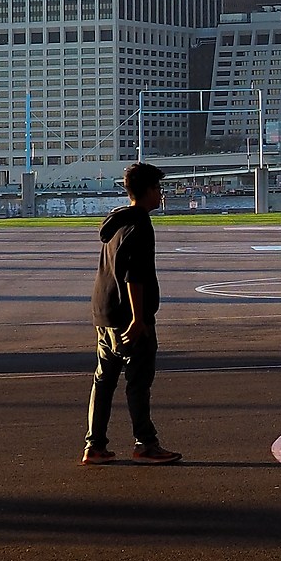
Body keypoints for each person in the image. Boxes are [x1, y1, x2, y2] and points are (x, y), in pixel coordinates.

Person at [85, 161, 180, 465]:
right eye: (158, 189)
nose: (160, 195)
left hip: (105, 313)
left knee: (104, 381)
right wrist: (139, 318)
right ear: (149, 190)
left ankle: (95, 445)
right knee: (138, 382)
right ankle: (145, 443)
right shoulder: (140, 225)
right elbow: (134, 276)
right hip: (128, 317)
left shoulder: (117, 222)